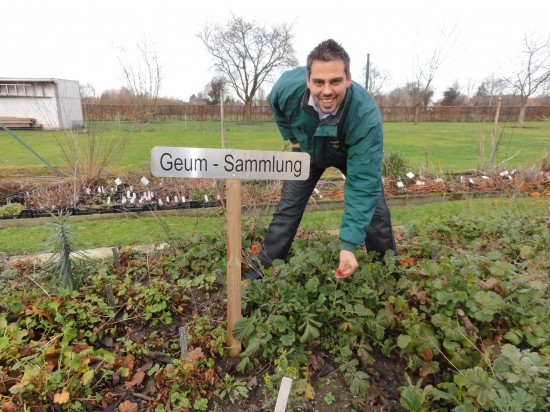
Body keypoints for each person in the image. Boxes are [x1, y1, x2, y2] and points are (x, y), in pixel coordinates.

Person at [248, 39, 396, 280]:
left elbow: (362, 184)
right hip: (308, 149)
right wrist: (291, 137)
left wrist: (348, 244)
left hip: (350, 153)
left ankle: (387, 277)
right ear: (308, 80)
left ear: (348, 79)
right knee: (287, 210)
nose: (327, 90)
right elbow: (274, 103)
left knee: (376, 210)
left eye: (335, 81)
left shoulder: (365, 115)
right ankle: (258, 277)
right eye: (319, 82)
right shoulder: (287, 89)